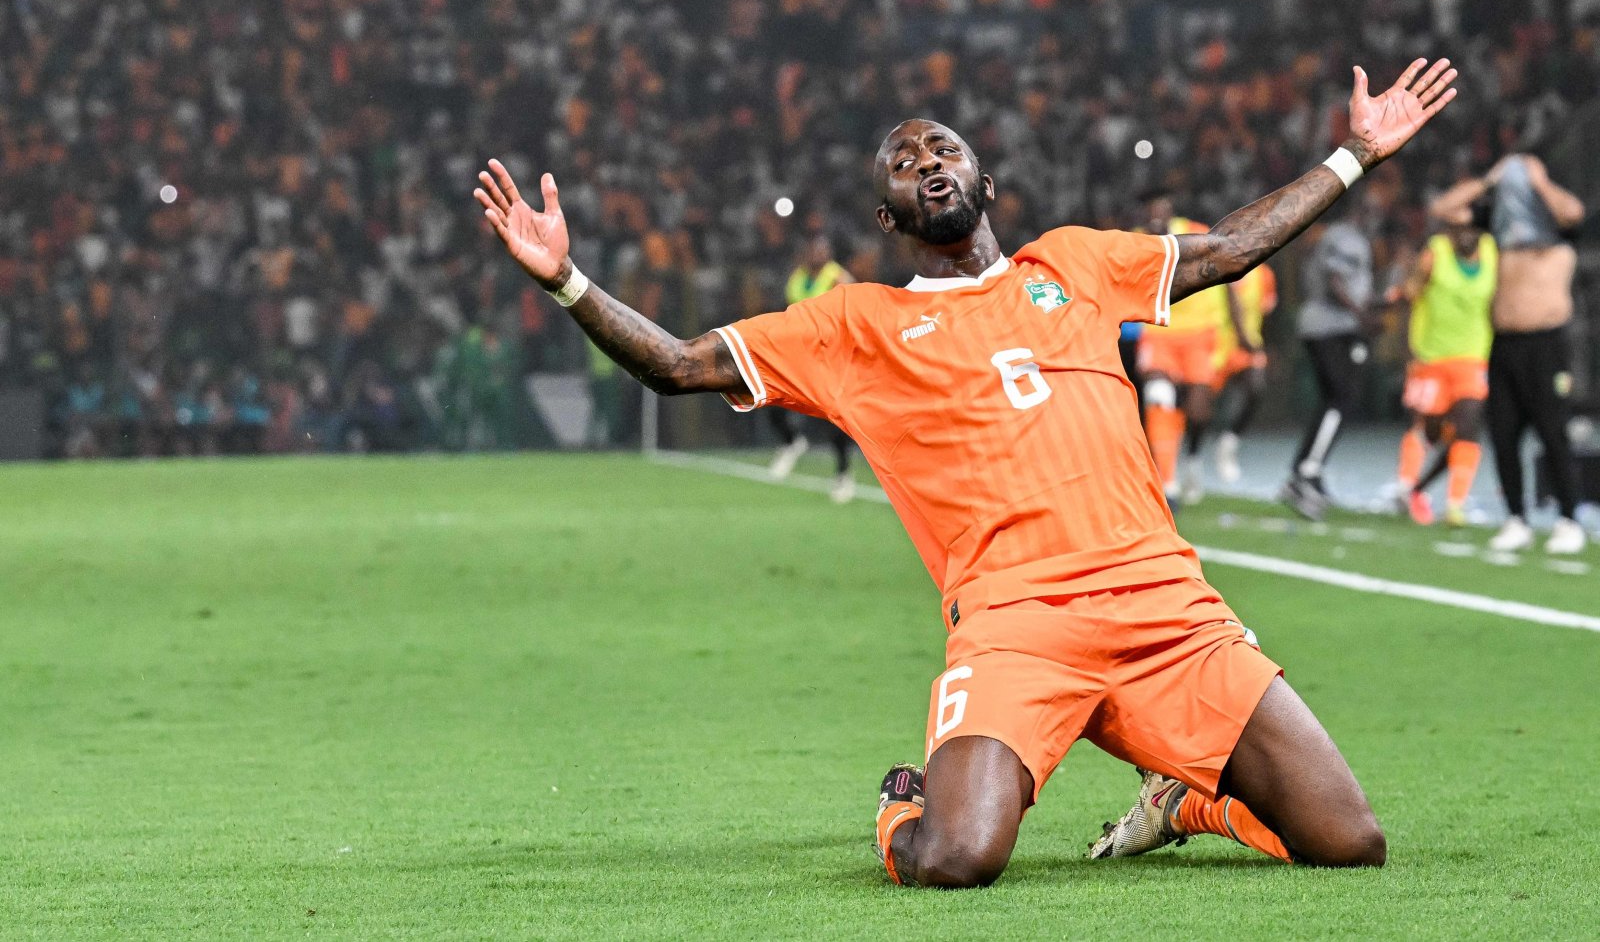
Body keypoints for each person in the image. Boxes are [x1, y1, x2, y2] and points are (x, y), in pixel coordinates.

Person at [475, 58, 1457, 887]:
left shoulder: (1072, 263)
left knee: (1347, 841)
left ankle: (1184, 801)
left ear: (983, 182)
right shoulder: (856, 327)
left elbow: (1231, 249)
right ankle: (906, 800)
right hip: (1016, 625)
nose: (925, 163)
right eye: (903, 163)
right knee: (953, 858)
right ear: (889, 215)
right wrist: (565, 278)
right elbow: (677, 363)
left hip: (1165, 607)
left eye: (943, 149)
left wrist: (1356, 153)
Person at [1429, 155, 1587, 553]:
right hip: (1504, 345)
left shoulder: (1559, 229)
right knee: (1503, 434)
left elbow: (1574, 212)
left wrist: (1539, 180)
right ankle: (1516, 518)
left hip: (1547, 344)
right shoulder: (1498, 224)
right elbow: (1444, 209)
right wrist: (1488, 180)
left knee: (1553, 433)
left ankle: (1569, 519)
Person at [1385, 217, 1497, 526]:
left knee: (1469, 424)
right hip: (1431, 357)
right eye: (1459, 228)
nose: (1465, 235)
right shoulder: (1435, 253)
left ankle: (1455, 504)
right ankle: (1408, 487)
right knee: (1430, 428)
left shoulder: (1491, 253)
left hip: (1473, 356)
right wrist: (1407, 348)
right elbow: (1410, 294)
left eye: (1472, 228)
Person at [1279, 215, 1374, 521]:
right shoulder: (1345, 236)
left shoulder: (1339, 235)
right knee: (1341, 398)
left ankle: (1308, 472)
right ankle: (1306, 472)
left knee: (1334, 400)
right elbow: (1335, 280)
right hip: (1331, 327)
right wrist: (1361, 314)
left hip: (1328, 326)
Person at [1135, 191, 1224, 504]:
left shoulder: (1196, 233)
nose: (1157, 213)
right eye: (1150, 208)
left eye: (1162, 208)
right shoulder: (1133, 241)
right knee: (1159, 397)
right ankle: (1167, 482)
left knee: (1199, 411)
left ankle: (1195, 458)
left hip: (1200, 333)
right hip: (1159, 333)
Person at [768, 234, 858, 502]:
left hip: (831, 357)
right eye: (813, 248)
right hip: (801, 355)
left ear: (828, 252)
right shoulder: (797, 277)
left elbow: (854, 312)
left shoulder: (838, 278)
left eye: (822, 249)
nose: (817, 253)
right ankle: (791, 441)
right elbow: (788, 311)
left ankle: (843, 475)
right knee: (770, 395)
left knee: (834, 419)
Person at [1211, 264, 1278, 485]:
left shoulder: (1265, 275)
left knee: (1255, 388)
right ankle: (1190, 457)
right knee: (1198, 407)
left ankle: (1228, 444)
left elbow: (1266, 316)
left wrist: (1264, 347)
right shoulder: (1217, 269)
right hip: (1215, 345)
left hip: (1248, 346)